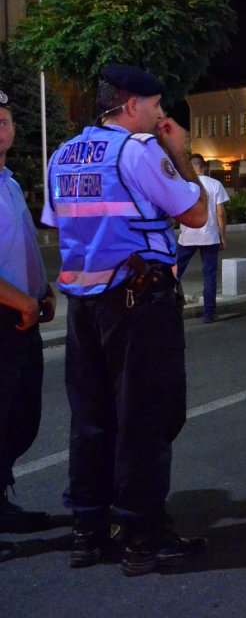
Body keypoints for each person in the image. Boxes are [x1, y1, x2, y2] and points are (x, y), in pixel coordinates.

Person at [43, 64, 209, 575]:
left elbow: (58, 223)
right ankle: (143, 534)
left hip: (84, 306)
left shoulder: (62, 155)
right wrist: (180, 151)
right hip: (138, 304)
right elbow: (197, 214)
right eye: (157, 105)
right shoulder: (137, 153)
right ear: (132, 103)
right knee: (146, 415)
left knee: (91, 418)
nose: (161, 115)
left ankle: (88, 531)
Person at [0, 89, 55, 563]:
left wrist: (43, 290)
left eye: (4, 119)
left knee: (20, 418)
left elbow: (24, 246)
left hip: (22, 315)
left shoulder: (11, 182)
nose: (0, 127)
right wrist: (21, 301)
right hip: (4, 316)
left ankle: (0, 503)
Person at [175, 154, 229, 323]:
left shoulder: (183, 186)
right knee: (209, 276)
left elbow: (176, 211)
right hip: (210, 236)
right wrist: (223, 236)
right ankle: (209, 314)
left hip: (187, 237)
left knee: (174, 272)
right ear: (204, 167)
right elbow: (221, 213)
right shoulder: (215, 185)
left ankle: (167, 309)